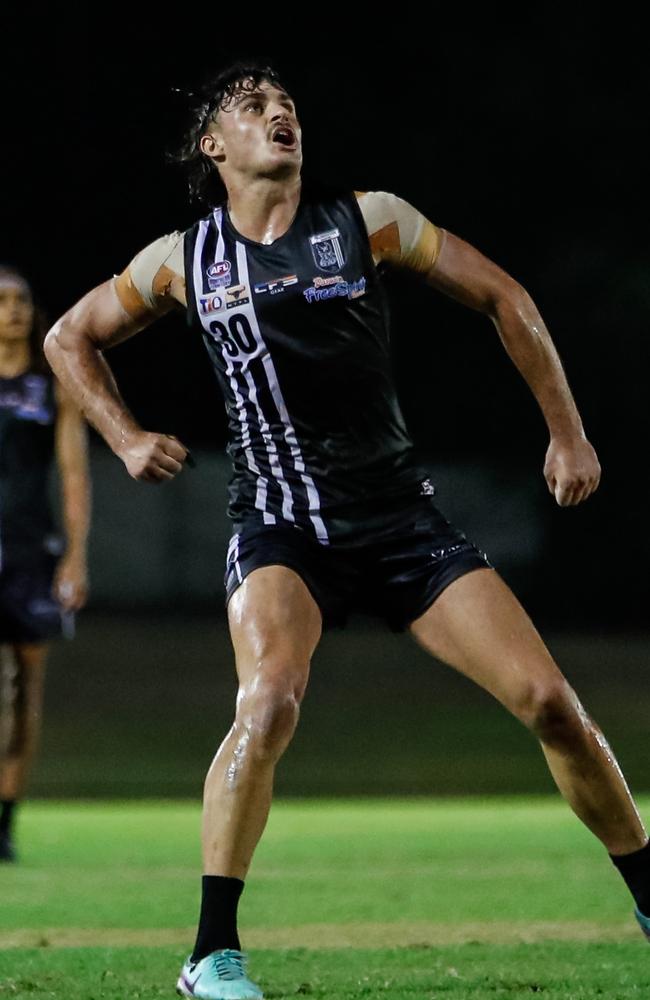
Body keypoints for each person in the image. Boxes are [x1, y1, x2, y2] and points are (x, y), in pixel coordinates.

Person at [44, 61, 650, 1000]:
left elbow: (507, 298)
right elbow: (66, 337)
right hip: (283, 525)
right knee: (270, 699)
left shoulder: (367, 220)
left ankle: (648, 897)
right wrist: (122, 437)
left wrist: (566, 432)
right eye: (252, 107)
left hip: (401, 518)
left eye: (285, 104)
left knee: (550, 703)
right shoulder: (184, 259)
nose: (278, 113)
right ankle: (212, 955)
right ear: (215, 147)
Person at [0, 265, 90, 863]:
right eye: (2, 301)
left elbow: (74, 473)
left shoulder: (49, 381)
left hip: (34, 552)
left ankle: (7, 817)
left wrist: (77, 556)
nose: (14, 310)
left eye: (22, 300)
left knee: (28, 688)